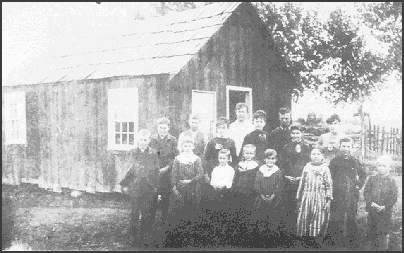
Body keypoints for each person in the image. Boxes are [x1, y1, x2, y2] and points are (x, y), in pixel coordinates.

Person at [119, 129, 160, 246]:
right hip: (135, 187)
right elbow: (126, 169)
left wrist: (154, 186)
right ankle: (134, 236)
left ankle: (144, 236)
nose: (143, 142)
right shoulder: (132, 152)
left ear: (149, 141)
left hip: (148, 187)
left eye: (145, 140)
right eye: (141, 140)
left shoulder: (153, 153)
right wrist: (125, 185)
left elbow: (156, 171)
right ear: (138, 140)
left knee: (146, 212)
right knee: (135, 212)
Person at [164, 136, 204, 248]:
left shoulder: (196, 159)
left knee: (191, 212)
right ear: (182, 147)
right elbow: (174, 174)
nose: (187, 148)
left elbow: (200, 174)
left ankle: (191, 238)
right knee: (178, 212)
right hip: (180, 189)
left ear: (193, 147)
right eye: (185, 146)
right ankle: (178, 238)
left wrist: (190, 180)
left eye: (189, 146)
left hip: (193, 189)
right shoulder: (178, 159)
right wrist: (174, 188)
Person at [327, 137, 367, 249]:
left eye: (348, 146)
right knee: (336, 215)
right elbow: (329, 176)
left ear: (352, 147)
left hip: (351, 194)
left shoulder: (354, 161)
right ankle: (335, 240)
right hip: (337, 193)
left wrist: (359, 185)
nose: (346, 148)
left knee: (351, 215)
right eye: (343, 146)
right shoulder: (335, 161)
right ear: (340, 147)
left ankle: (352, 241)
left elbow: (363, 174)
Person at [279, 125, 311, 247]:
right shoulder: (286, 148)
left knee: (303, 206)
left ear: (301, 134)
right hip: (289, 181)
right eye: (293, 133)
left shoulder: (307, 147)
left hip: (303, 180)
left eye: (298, 133)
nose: (295, 136)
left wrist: (302, 177)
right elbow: (281, 163)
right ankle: (290, 235)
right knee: (290, 206)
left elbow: (309, 163)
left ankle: (303, 234)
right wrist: (286, 176)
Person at [296, 148, 333, 249]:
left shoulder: (325, 169)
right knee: (304, 216)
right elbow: (302, 183)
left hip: (320, 197)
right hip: (307, 196)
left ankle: (315, 239)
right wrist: (299, 197)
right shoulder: (306, 167)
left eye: (318, 154)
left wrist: (328, 200)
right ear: (310, 156)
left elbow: (329, 185)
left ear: (322, 156)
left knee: (317, 217)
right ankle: (304, 239)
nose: (315, 156)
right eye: (313, 154)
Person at [149, 117, 179, 228]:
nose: (162, 130)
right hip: (154, 172)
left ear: (168, 128)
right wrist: (155, 168)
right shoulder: (152, 139)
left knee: (166, 197)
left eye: (164, 128)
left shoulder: (172, 140)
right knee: (153, 196)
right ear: (157, 128)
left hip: (167, 172)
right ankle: (150, 220)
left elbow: (175, 156)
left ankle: (164, 221)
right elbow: (149, 154)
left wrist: (167, 167)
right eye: (160, 128)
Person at [363, 155, 398, 251]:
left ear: (389, 168)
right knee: (371, 229)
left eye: (384, 166)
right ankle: (371, 247)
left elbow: (394, 196)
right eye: (379, 165)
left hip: (385, 212)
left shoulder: (391, 181)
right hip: (372, 210)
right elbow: (366, 192)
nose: (381, 168)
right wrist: (371, 203)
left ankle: (383, 248)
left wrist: (385, 206)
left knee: (383, 231)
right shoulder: (372, 179)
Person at [231, 144, 260, 247]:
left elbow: (257, 181)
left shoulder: (256, 166)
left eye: (251, 153)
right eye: (246, 153)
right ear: (243, 154)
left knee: (250, 213)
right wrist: (233, 190)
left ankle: (250, 236)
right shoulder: (240, 165)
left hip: (250, 194)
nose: (248, 155)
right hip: (239, 193)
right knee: (240, 213)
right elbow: (235, 179)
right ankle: (240, 235)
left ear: (254, 154)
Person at [254, 149, 284, 248]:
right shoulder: (261, 170)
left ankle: (272, 239)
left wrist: (272, 196)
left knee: (273, 217)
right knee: (262, 217)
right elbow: (257, 184)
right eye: (268, 159)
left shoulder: (277, 171)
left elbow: (279, 185)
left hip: (274, 199)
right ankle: (261, 239)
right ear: (264, 159)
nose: (270, 161)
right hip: (261, 198)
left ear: (276, 160)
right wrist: (262, 195)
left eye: (273, 159)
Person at [207, 149, 236, 247]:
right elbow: (212, 180)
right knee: (216, 212)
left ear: (228, 159)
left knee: (225, 212)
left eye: (224, 158)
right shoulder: (215, 169)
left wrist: (222, 187)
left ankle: (225, 234)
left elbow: (230, 182)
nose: (222, 160)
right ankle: (216, 233)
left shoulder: (230, 169)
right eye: (220, 158)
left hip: (225, 193)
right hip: (216, 193)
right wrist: (214, 186)